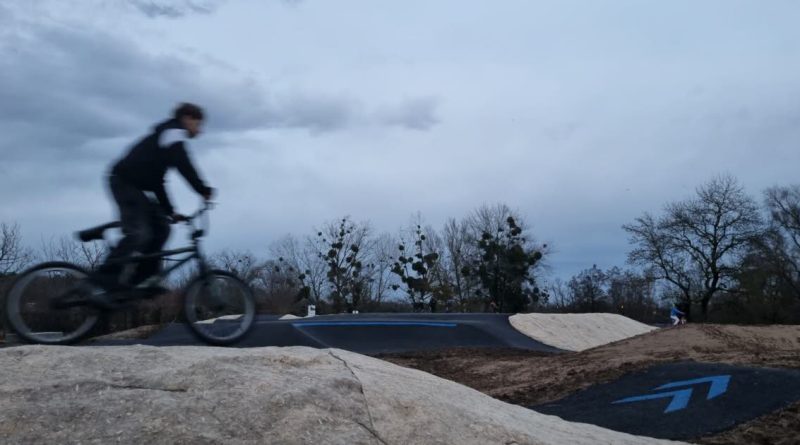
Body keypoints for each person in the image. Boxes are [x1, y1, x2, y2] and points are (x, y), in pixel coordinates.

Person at [90, 103, 214, 300]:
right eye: (197, 124)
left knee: (162, 226)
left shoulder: (165, 140)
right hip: (123, 181)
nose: (199, 130)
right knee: (140, 233)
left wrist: (170, 211)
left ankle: (145, 279)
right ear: (187, 118)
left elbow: (158, 183)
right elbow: (184, 164)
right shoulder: (173, 132)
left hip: (137, 186)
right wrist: (203, 189)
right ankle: (104, 278)